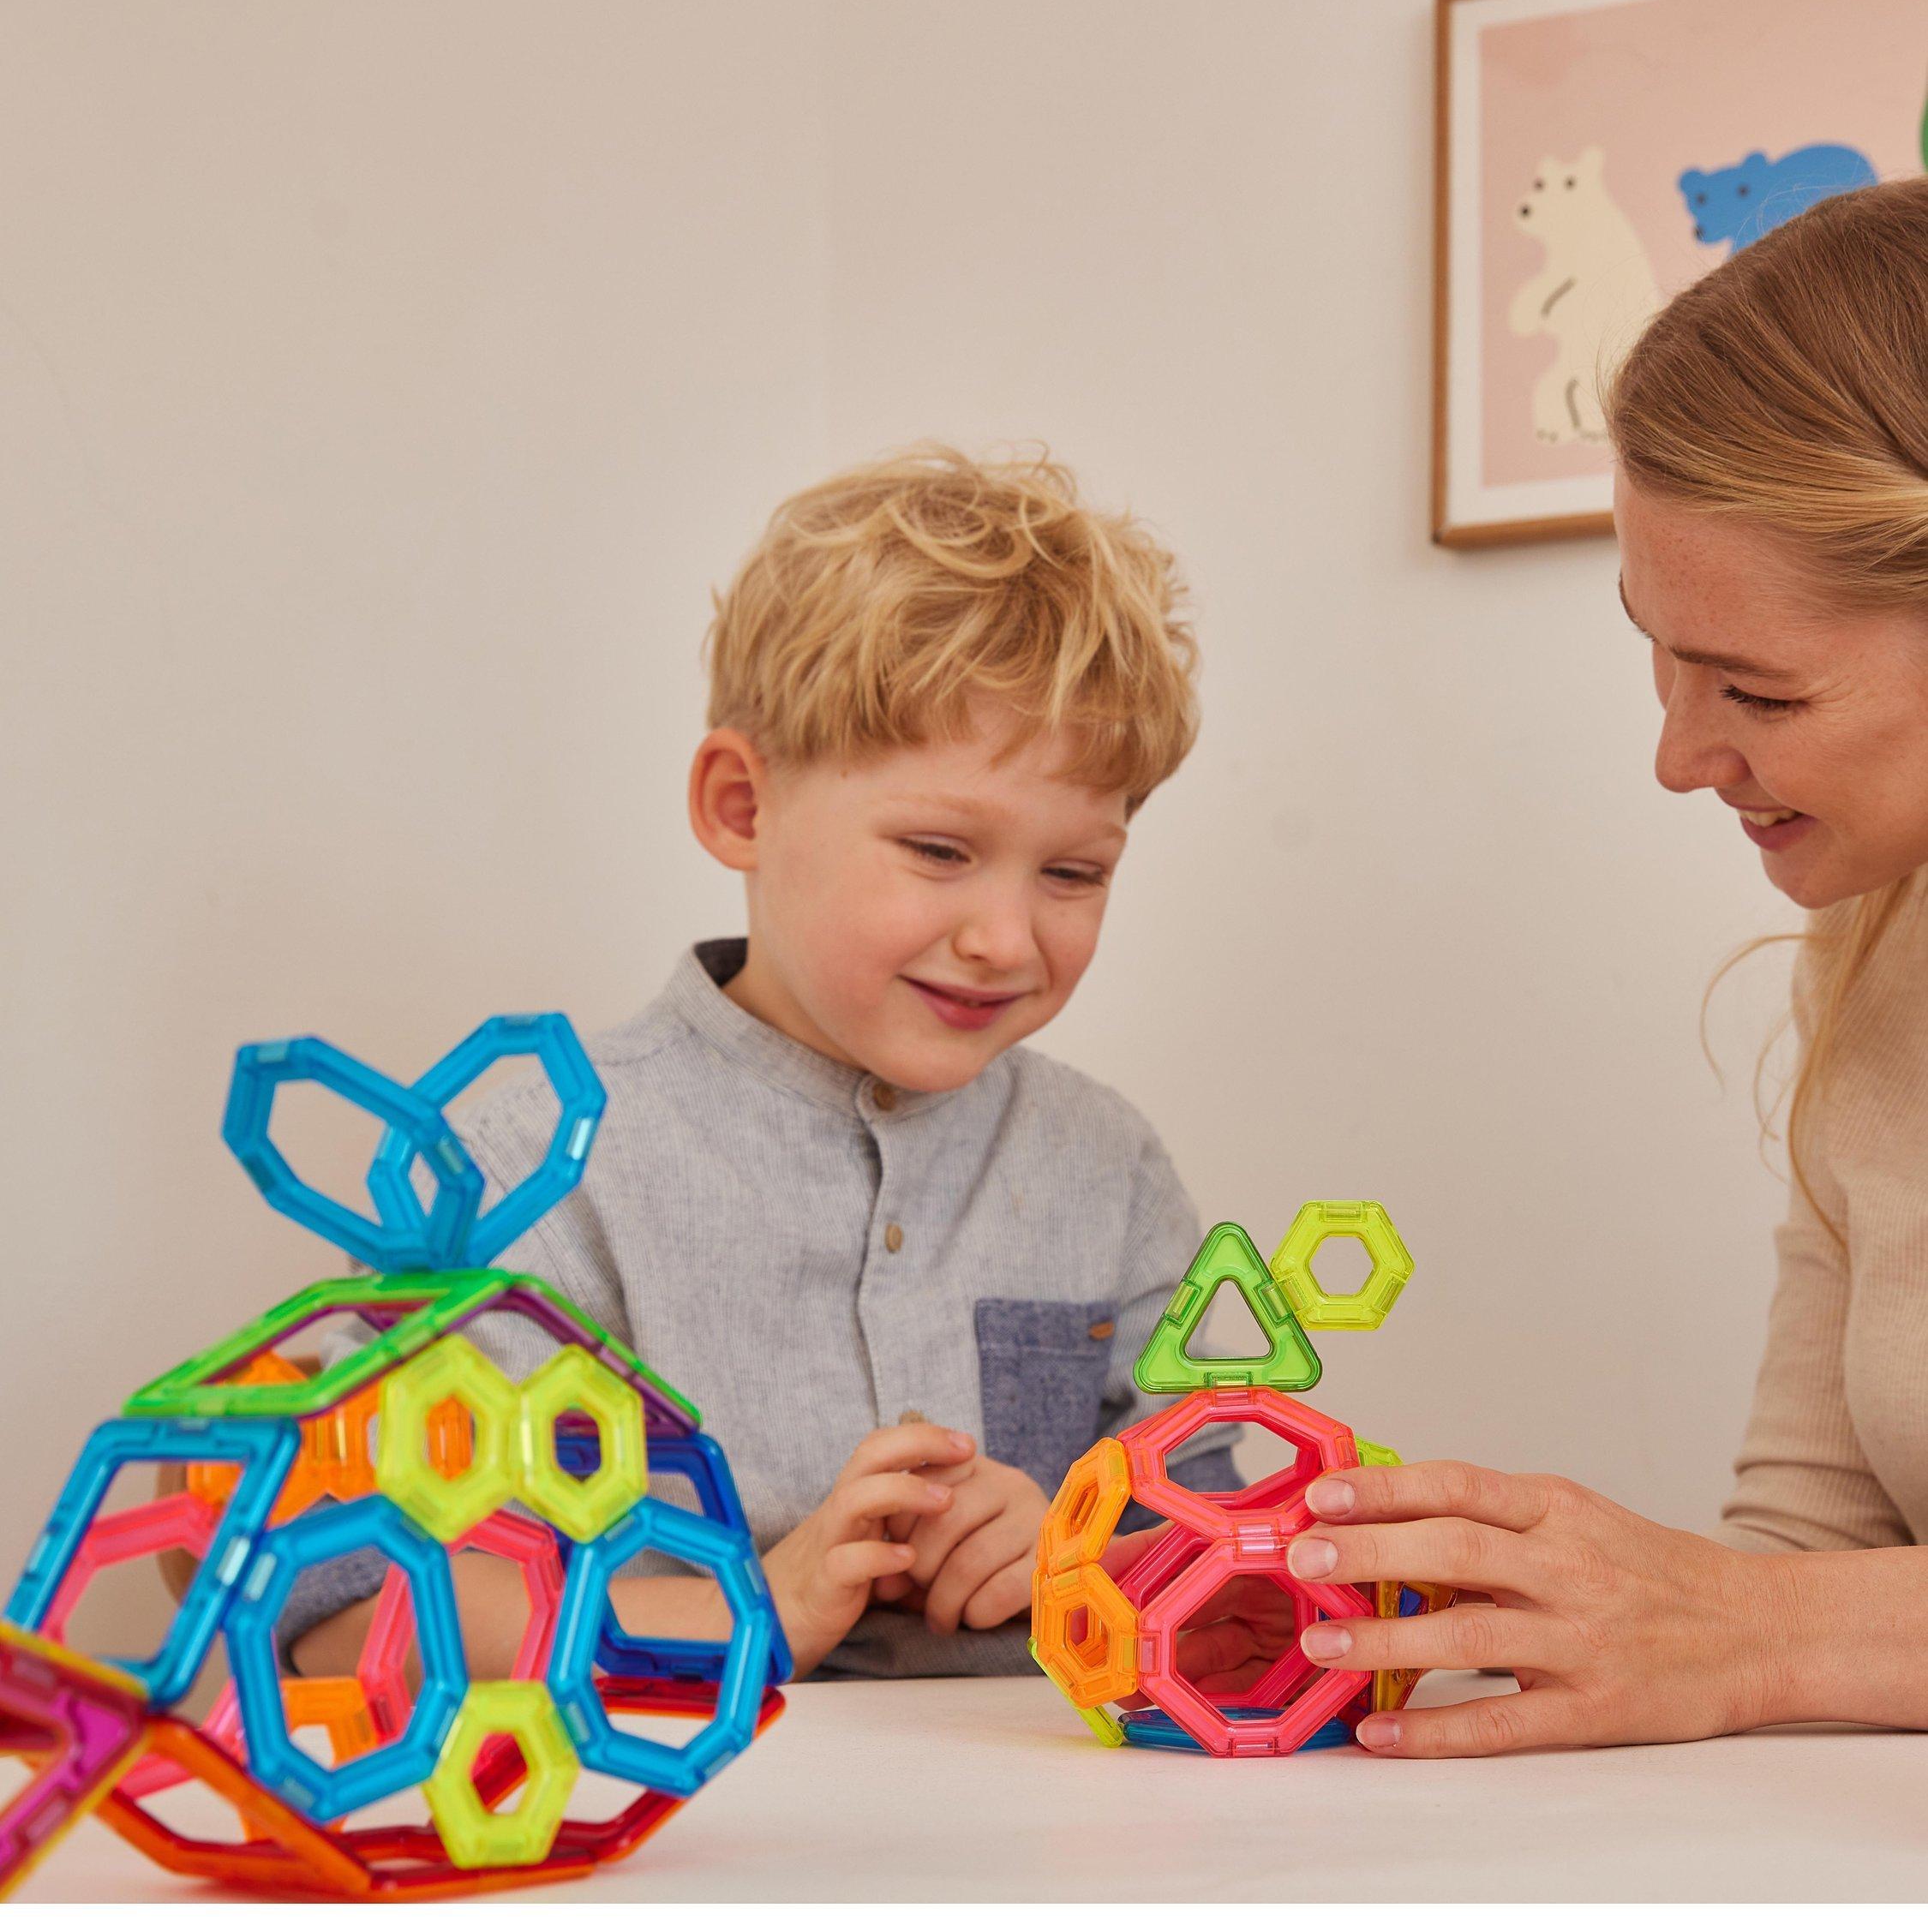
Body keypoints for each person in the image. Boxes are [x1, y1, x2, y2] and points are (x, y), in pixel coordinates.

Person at [284, 443, 1240, 1684]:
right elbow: (335, 1603)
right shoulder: (527, 1174)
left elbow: (1231, 1562)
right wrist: (751, 1612)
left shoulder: (1105, 1167)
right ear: (742, 807)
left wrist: (1083, 1552)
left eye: (1073, 873)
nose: (1007, 939)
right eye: (939, 851)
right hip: (674, 1797)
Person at [1197, 174, 1928, 1757]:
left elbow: (1771, 1623)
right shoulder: (1868, 940)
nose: (1676, 758)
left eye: (1755, 691)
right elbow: (1808, 1549)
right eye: (1656, 652)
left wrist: (1742, 1631)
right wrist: (1564, 1623)